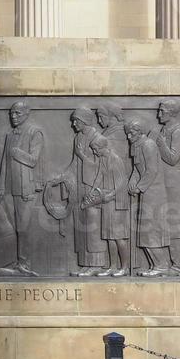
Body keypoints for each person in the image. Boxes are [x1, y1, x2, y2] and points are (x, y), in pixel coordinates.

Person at [0, 101, 46, 276]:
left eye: (17, 113)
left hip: (26, 189)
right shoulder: (10, 135)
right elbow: (4, 162)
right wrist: (1, 187)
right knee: (11, 228)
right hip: (10, 189)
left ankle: (25, 263)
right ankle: (14, 261)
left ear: (26, 113)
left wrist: (17, 153)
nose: (13, 116)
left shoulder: (35, 133)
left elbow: (33, 160)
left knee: (23, 228)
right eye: (11, 113)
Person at [126, 117, 174, 277]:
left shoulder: (148, 145)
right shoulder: (136, 145)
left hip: (154, 194)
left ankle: (162, 266)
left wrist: (139, 187)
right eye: (127, 133)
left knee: (152, 230)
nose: (128, 137)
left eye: (131, 133)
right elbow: (137, 168)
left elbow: (151, 170)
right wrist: (132, 182)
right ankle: (155, 265)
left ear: (139, 132)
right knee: (145, 231)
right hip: (145, 193)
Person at [65, 107, 107, 275]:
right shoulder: (78, 137)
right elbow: (74, 163)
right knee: (82, 226)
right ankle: (86, 264)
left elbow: (102, 166)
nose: (73, 124)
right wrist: (61, 177)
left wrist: (82, 155)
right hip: (80, 186)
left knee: (93, 226)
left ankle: (97, 265)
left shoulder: (98, 138)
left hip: (93, 187)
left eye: (76, 120)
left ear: (85, 121)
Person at [87, 132, 132, 277]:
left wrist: (110, 195)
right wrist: (93, 191)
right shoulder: (102, 159)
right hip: (106, 201)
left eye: (95, 149)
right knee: (109, 236)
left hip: (117, 202)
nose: (94, 152)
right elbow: (99, 176)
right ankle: (112, 267)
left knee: (118, 236)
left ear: (102, 147)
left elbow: (122, 182)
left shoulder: (115, 160)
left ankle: (124, 268)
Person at [156, 100, 180, 275]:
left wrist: (159, 142)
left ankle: (179, 266)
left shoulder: (178, 132)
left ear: (171, 113)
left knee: (176, 223)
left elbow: (173, 158)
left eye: (161, 111)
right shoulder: (165, 129)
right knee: (165, 223)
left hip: (174, 185)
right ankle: (169, 263)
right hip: (162, 183)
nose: (158, 115)